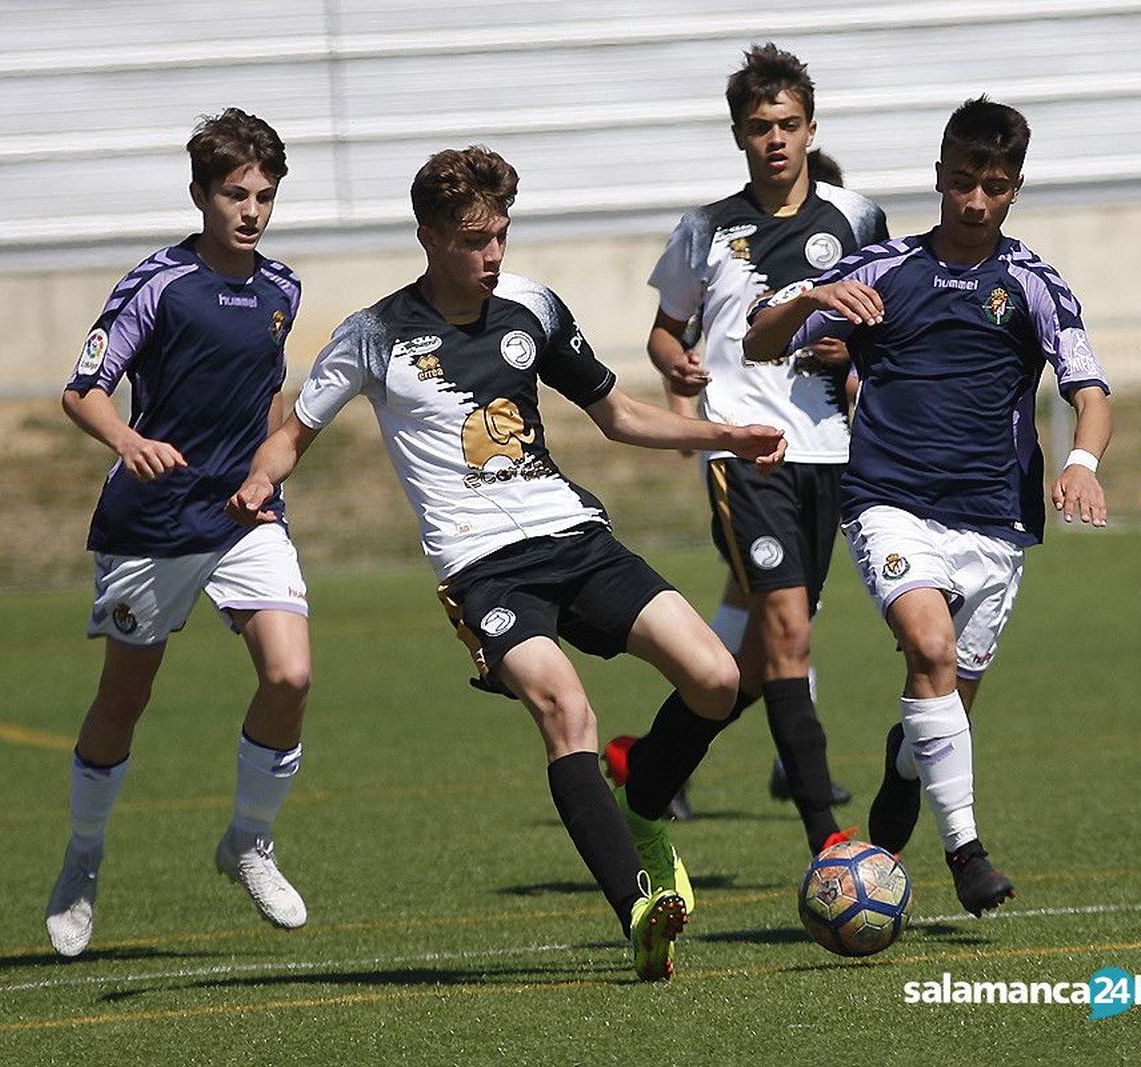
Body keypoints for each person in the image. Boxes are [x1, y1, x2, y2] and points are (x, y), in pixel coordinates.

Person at [228, 145, 787, 980]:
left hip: (574, 537)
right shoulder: (373, 334)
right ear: (429, 237)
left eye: (501, 235)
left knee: (716, 678)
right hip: (483, 570)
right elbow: (291, 438)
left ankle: (640, 811)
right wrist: (251, 489)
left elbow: (619, 415)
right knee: (567, 710)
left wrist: (725, 433)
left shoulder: (532, 306)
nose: (492, 255)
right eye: (473, 240)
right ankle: (638, 905)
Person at [745, 96, 1113, 915]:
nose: (976, 203)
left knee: (945, 688)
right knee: (929, 643)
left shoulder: (1034, 283)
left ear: (1015, 187)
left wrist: (1083, 461)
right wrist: (808, 303)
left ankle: (907, 760)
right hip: (890, 501)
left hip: (995, 520)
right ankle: (968, 853)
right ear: (938, 176)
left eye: (995, 186)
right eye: (961, 183)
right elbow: (758, 340)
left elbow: (1089, 389)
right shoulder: (881, 269)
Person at [43, 108, 312, 958]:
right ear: (200, 193)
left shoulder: (283, 290)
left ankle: (249, 840)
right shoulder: (156, 284)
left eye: (264, 195)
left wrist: (269, 472)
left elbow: (269, 396)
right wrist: (128, 440)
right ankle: (83, 858)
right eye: (235, 193)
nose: (251, 210)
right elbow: (83, 389)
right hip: (152, 524)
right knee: (124, 701)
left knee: (291, 672)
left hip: (243, 518)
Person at [629, 45, 888, 852]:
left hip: (829, 452)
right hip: (746, 452)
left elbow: (884, 322)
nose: (774, 140)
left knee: (748, 664)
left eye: (786, 124)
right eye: (757, 128)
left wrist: (853, 354)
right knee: (788, 631)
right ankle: (829, 841)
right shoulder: (707, 228)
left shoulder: (858, 218)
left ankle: (646, 773)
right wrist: (679, 363)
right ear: (739, 136)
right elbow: (665, 335)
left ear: (811, 128)